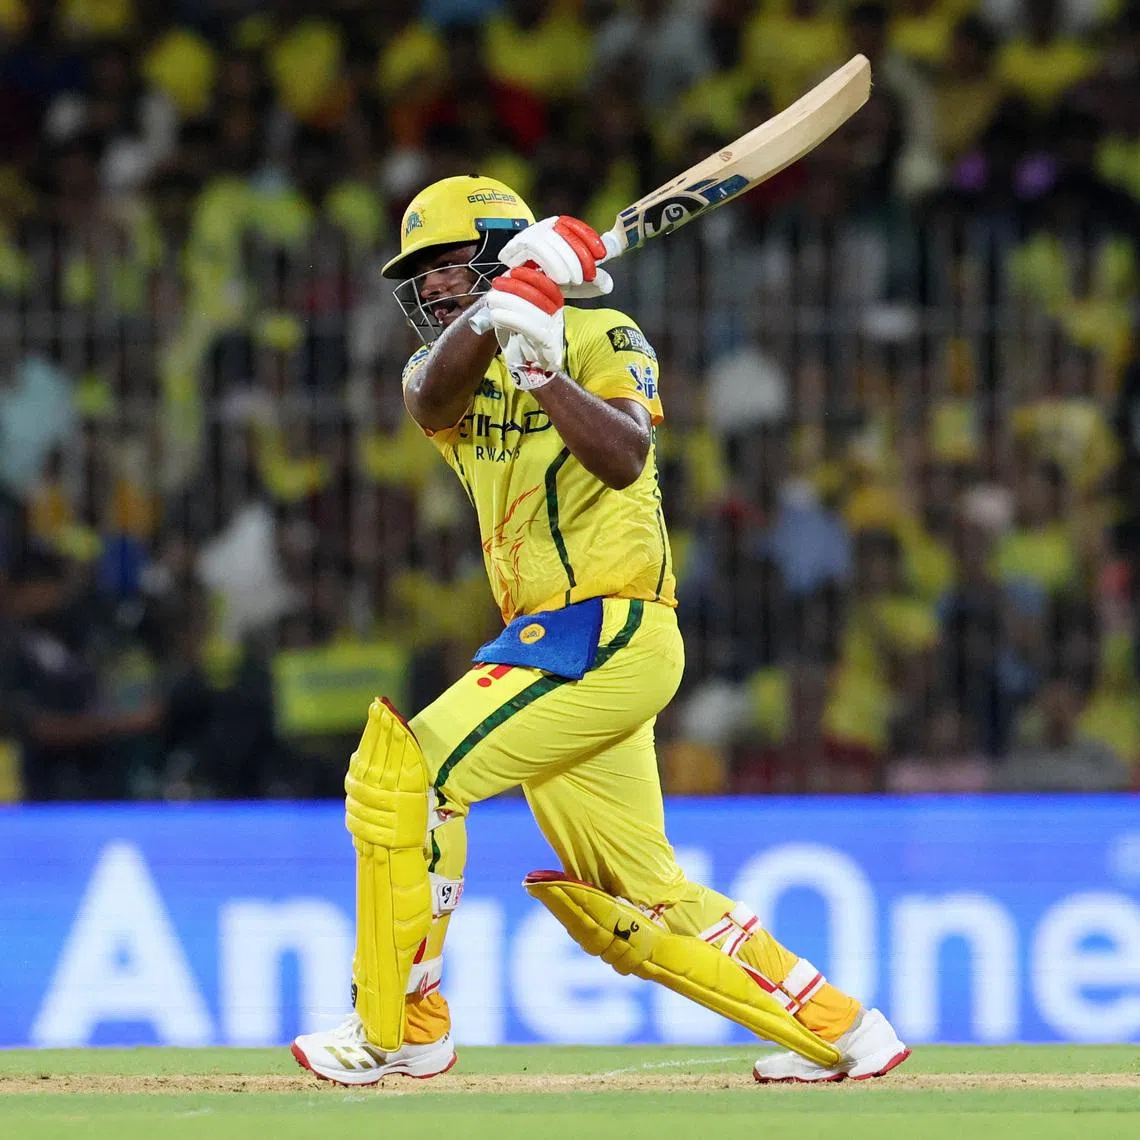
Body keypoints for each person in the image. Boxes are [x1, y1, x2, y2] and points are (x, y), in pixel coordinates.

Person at [290, 175, 910, 1085]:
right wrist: (502, 306)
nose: (426, 287)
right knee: (644, 895)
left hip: (611, 629)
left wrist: (544, 371)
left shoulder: (600, 334)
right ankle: (845, 1031)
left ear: (501, 245)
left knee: (409, 772)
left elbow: (624, 457)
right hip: (556, 644)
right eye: (415, 273)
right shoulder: (438, 370)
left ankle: (398, 1027)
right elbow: (431, 404)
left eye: (443, 263)